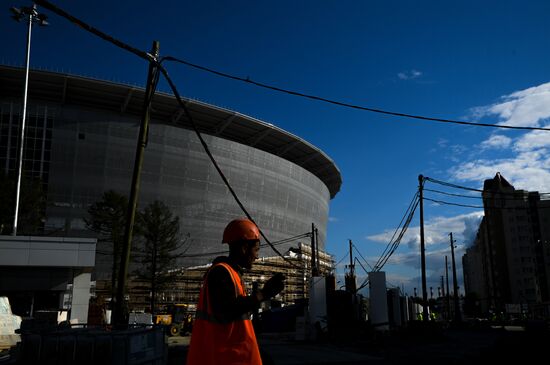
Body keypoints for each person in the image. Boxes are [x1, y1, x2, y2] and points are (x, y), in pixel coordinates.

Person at [186, 218, 285, 365]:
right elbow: (228, 309)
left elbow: (238, 313)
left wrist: (262, 297)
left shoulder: (232, 274)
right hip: (225, 355)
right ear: (244, 248)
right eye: (256, 250)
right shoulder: (221, 273)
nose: (257, 256)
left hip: (231, 353)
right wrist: (263, 294)